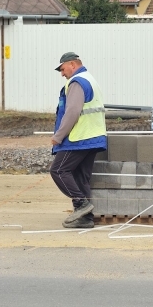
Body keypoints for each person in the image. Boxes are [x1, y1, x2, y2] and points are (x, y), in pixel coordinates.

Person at [50, 52, 107, 229]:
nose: (62, 73)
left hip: (79, 138)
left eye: (63, 68)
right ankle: (86, 218)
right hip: (94, 137)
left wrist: (58, 136)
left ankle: (82, 204)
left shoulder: (77, 82)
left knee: (58, 170)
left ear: (72, 64)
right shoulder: (90, 79)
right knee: (80, 177)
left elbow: (72, 112)